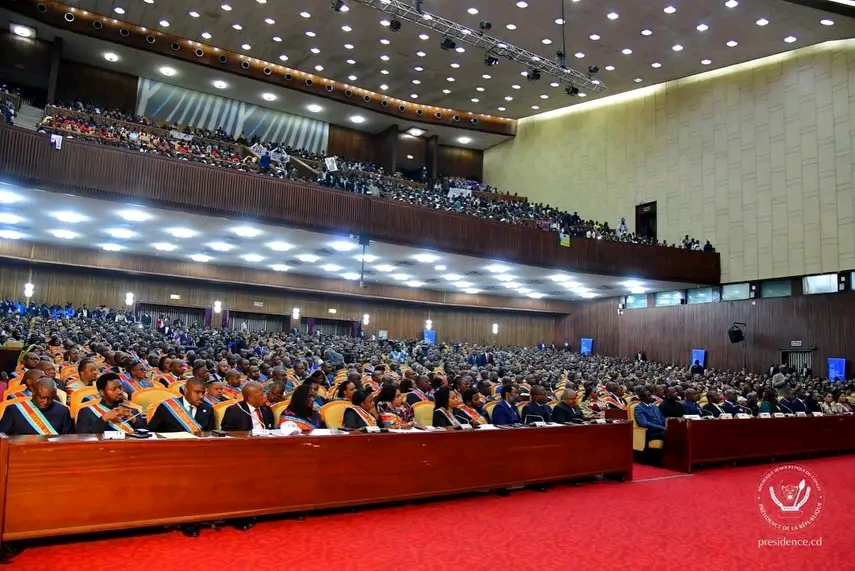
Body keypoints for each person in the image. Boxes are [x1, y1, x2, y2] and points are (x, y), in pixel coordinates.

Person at [75, 373, 146, 434]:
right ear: (102, 392)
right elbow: (82, 437)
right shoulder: (87, 412)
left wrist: (134, 420)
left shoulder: (132, 411)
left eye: (120, 388)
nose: (119, 392)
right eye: (113, 389)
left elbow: (147, 434)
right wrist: (104, 419)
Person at [0, 378, 73, 435]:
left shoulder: (63, 411)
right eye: (42, 397)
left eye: (50, 398)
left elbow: (67, 438)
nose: (46, 402)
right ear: (33, 393)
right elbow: (2, 436)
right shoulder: (14, 410)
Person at [148, 377, 213, 433]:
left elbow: (211, 435)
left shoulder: (208, 409)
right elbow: (153, 431)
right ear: (186, 391)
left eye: (203, 393)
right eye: (197, 392)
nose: (201, 396)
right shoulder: (167, 407)